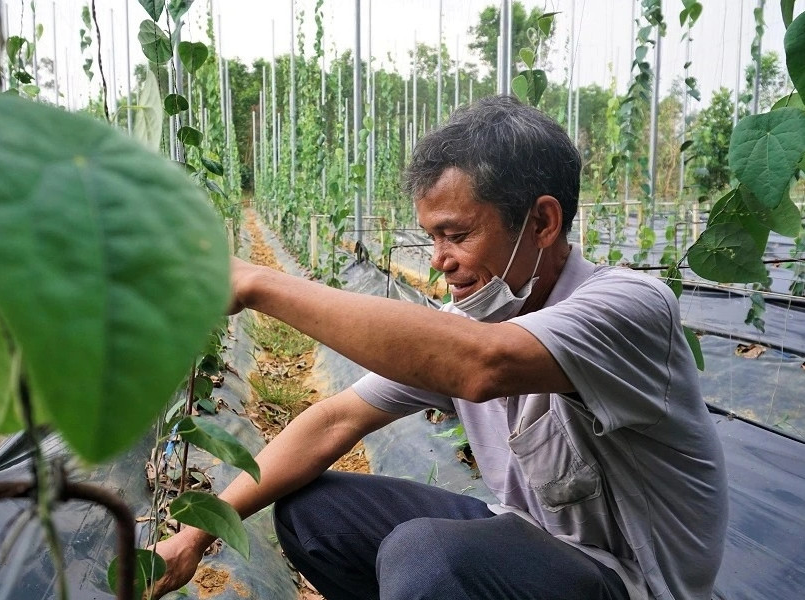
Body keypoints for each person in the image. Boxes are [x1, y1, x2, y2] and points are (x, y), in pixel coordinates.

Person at [153, 95, 727, 600]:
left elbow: (484, 364)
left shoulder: (629, 307)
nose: (438, 260)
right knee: (314, 515)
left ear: (543, 222)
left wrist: (260, 283)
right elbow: (335, 420)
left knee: (425, 553)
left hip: (627, 584)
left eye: (457, 235)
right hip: (529, 540)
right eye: (431, 237)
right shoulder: (474, 325)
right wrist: (197, 535)